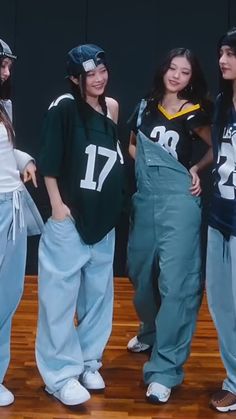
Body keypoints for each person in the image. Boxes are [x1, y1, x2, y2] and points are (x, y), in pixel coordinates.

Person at [36, 44, 124, 406]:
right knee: (59, 299)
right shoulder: (65, 106)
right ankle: (58, 376)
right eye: (90, 74)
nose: (99, 78)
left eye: (102, 70)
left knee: (99, 297)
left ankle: (88, 360)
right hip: (70, 217)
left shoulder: (112, 107)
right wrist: (57, 205)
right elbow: (49, 160)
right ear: (75, 79)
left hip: (102, 219)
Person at [127, 47, 213, 403]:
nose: (176, 76)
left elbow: (215, 149)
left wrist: (194, 170)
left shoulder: (196, 112)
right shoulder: (146, 106)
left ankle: (164, 370)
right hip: (146, 197)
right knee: (139, 272)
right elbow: (132, 145)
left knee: (176, 282)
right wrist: (147, 167)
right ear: (163, 70)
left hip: (179, 199)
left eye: (185, 72)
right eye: (172, 69)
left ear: (192, 79)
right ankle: (150, 330)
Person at [0, 39, 43, 407]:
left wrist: (24, 159)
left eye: (8, 66)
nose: (7, 72)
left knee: (8, 296)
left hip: (11, 207)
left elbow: (5, 150)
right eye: (2, 65)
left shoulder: (3, 106)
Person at [206, 27, 236, 413]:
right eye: (222, 53)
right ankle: (233, 379)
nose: (223, 60)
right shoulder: (221, 103)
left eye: (231, 53)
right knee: (222, 307)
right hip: (219, 217)